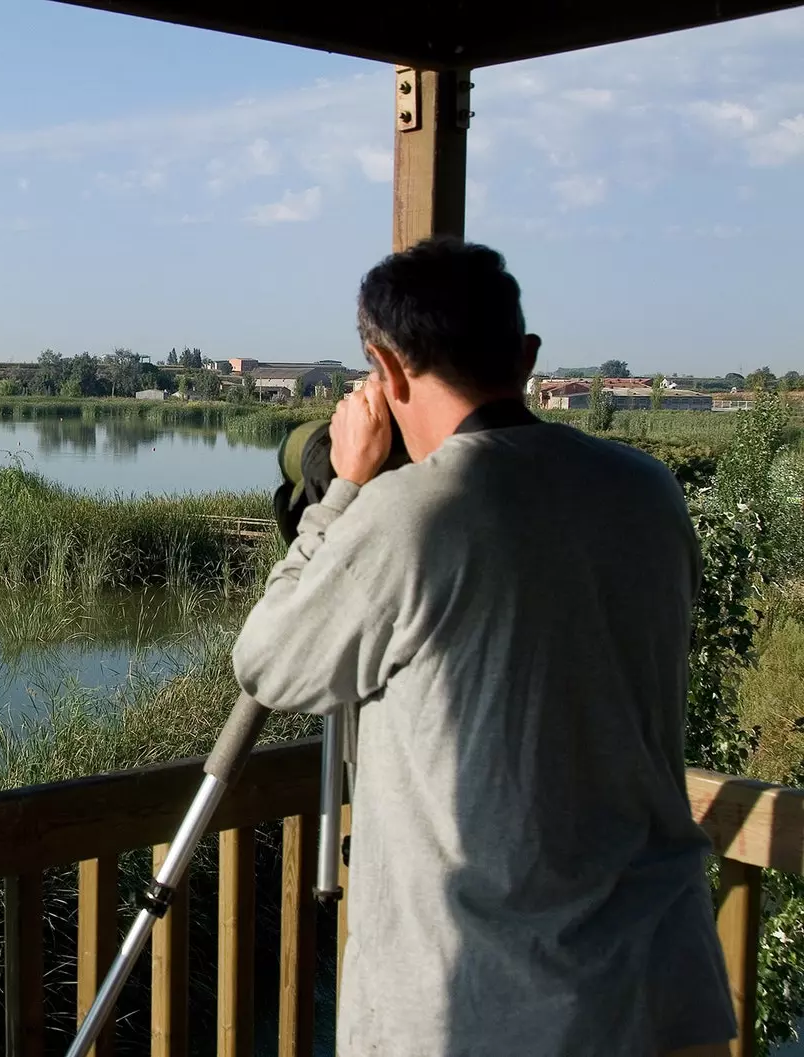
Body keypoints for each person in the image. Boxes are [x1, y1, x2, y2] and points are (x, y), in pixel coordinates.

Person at [232, 237, 735, 1057]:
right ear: (527, 356)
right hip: (659, 992)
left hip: (483, 1008)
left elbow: (268, 661)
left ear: (386, 372)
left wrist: (346, 492)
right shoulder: (647, 490)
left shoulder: (414, 515)